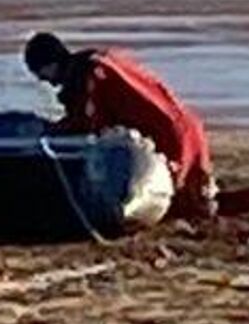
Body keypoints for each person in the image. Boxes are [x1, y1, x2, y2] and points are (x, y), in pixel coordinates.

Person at [23, 32, 218, 220]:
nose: (42, 79)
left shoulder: (90, 74)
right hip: (186, 127)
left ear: (50, 63)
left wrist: (52, 132)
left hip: (169, 137)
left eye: (39, 71)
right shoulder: (101, 61)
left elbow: (88, 123)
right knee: (197, 196)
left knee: (183, 202)